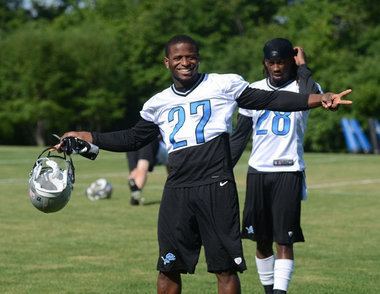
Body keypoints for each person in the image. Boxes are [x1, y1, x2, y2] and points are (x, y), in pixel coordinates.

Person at [55, 35, 351, 294]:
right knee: (168, 267)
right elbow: (132, 138)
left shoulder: (223, 84)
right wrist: (88, 136)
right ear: (166, 63)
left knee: (224, 268)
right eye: (178, 58)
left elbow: (271, 99)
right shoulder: (157, 102)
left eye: (191, 57)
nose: (186, 62)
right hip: (177, 188)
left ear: (198, 58)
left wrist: (319, 97)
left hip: (215, 185)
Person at [230, 38, 322, 294]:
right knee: (260, 241)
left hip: (288, 169)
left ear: (291, 62)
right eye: (271, 62)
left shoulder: (306, 86)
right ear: (265, 63)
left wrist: (303, 66)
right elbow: (240, 136)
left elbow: (306, 96)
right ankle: (269, 291)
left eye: (282, 61)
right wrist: (223, 167)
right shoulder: (253, 89)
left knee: (284, 238)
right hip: (258, 171)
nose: (277, 67)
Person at [127, 136, 168, 205]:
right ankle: (136, 191)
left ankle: (135, 191)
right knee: (142, 167)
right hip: (150, 140)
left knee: (135, 170)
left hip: (132, 139)